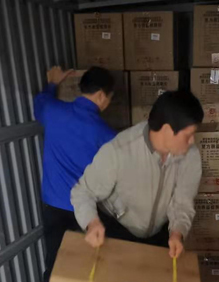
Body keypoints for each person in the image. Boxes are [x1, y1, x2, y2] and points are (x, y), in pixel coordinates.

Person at [70, 90, 204, 259]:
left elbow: (183, 202)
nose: (192, 141)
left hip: (160, 234)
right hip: (116, 231)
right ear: (167, 130)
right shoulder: (119, 151)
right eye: (188, 135)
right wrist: (91, 223)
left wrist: (177, 233)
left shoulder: (190, 156)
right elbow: (83, 192)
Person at [34, 66, 116, 282]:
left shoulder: (52, 112)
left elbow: (40, 102)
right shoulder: (107, 135)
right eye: (109, 98)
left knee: (55, 265)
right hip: (89, 212)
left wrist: (53, 83)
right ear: (101, 95)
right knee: (90, 267)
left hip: (54, 206)